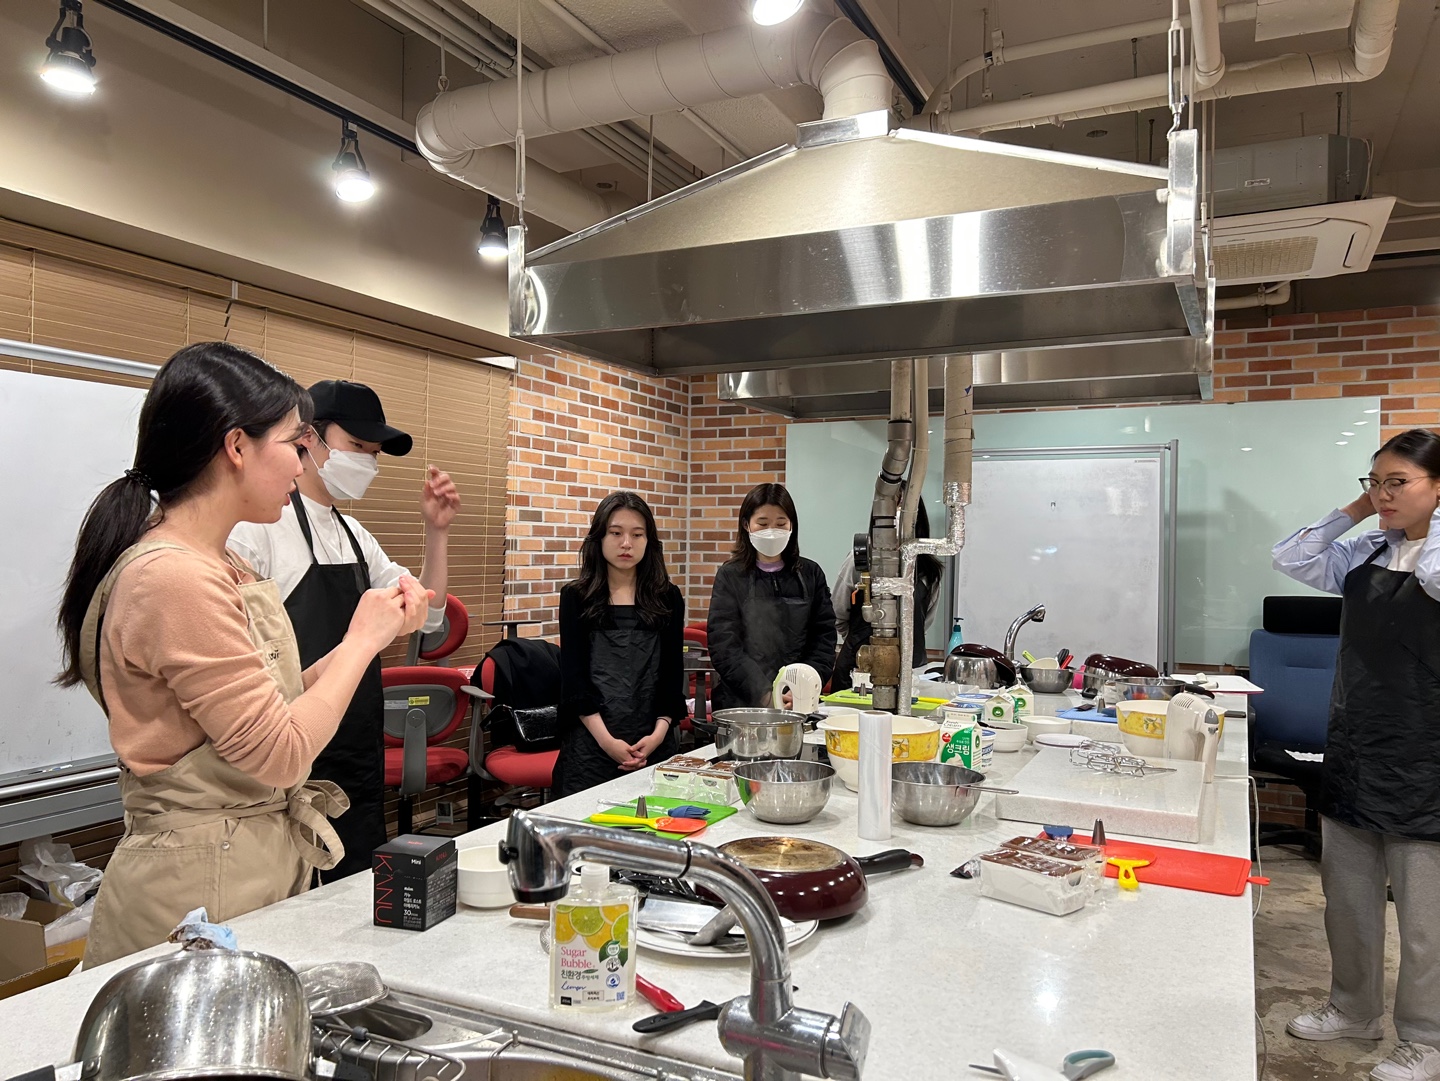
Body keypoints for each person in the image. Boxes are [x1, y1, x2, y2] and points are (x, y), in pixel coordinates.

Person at [56, 343, 431, 967]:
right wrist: (362, 641)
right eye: (294, 444)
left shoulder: (221, 562)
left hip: (244, 864)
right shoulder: (174, 577)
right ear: (236, 447)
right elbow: (280, 755)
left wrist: (371, 633)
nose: (301, 464)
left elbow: (274, 702)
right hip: (198, 888)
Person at [229, 379, 460, 879]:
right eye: (356, 445)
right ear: (307, 438)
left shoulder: (354, 535)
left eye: (374, 454)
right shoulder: (255, 531)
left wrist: (436, 532)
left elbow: (428, 614)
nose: (367, 462)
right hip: (288, 748)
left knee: (355, 887)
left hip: (356, 747)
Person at [1271, 428, 1440, 1081]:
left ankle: (1426, 1038)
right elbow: (1291, 555)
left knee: (1424, 917)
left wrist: (1423, 522)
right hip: (1357, 743)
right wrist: (1360, 509)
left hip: (1427, 755)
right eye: (1376, 480)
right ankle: (1353, 1008)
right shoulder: (1368, 549)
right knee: (1347, 897)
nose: (1383, 493)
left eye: (1399, 481)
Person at [554, 492, 686, 797]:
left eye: (637, 535)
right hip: (592, 745)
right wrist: (607, 742)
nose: (626, 543)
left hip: (653, 740)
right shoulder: (576, 597)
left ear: (649, 541)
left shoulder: (667, 597)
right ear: (599, 538)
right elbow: (574, 680)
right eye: (616, 533)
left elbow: (671, 675)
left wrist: (658, 734)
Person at [707, 482, 836, 711]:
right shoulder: (731, 575)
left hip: (798, 702)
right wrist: (765, 694)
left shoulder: (810, 574)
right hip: (741, 704)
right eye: (763, 523)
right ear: (746, 525)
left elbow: (823, 638)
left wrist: (803, 688)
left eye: (780, 523)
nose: (772, 531)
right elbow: (724, 645)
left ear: (792, 525)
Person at [833, 496, 945, 687]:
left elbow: (923, 622)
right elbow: (837, 613)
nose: (898, 512)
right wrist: (858, 640)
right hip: (859, 670)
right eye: (892, 506)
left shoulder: (929, 571)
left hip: (910, 671)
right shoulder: (859, 560)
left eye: (904, 506)